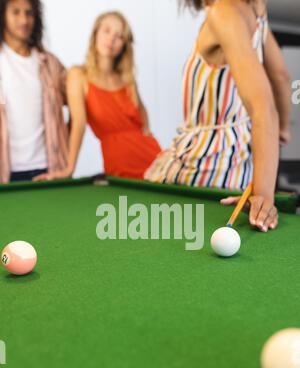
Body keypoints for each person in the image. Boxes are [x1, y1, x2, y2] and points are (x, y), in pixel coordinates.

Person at [145, 0, 291, 232]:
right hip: (239, 170)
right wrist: (282, 129)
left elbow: (263, 107)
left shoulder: (224, 11)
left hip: (201, 168)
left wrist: (264, 195)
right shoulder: (258, 14)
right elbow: (281, 76)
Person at [36, 11, 161, 182]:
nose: (111, 39)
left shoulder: (127, 79)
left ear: (124, 44)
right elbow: (78, 124)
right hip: (119, 161)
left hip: (152, 156)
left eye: (119, 36)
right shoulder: (78, 75)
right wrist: (69, 168)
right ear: (95, 33)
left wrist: (146, 130)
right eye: (107, 30)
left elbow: (141, 114)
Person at [0, 0, 68, 183]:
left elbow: (82, 104)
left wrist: (64, 142)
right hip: (6, 173)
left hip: (48, 169)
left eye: (29, 13)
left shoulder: (49, 64)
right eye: (16, 12)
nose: (24, 20)